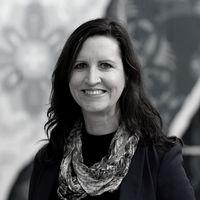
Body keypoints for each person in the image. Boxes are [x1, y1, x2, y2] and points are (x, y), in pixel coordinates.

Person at [28, 18, 196, 200]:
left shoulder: (161, 158)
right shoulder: (48, 159)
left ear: (127, 76)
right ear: (67, 77)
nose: (92, 78)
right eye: (80, 65)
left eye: (105, 65)